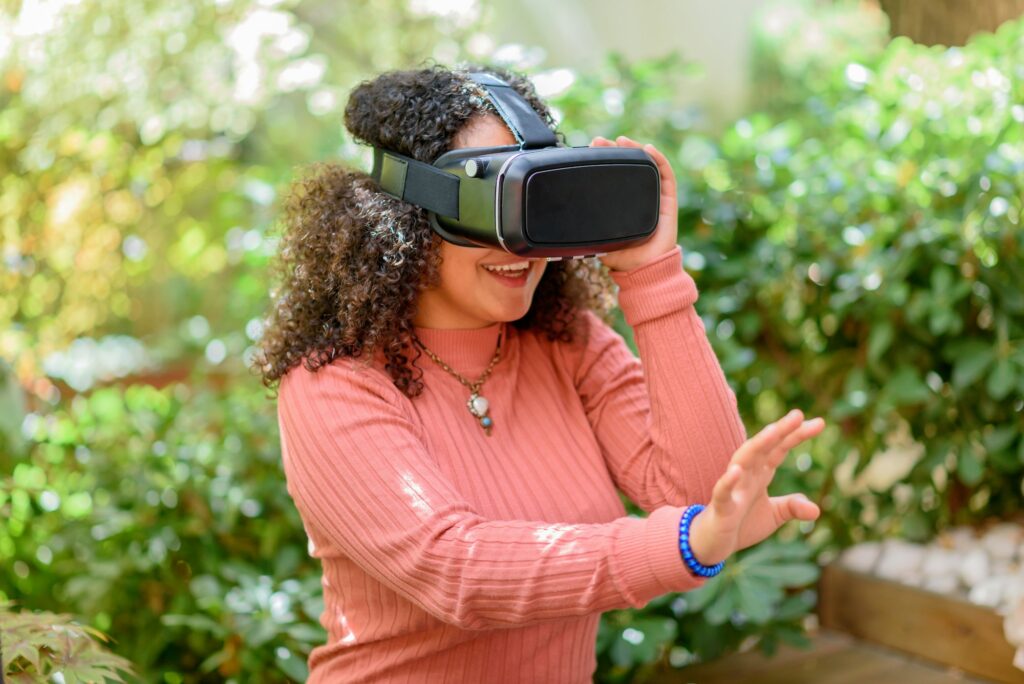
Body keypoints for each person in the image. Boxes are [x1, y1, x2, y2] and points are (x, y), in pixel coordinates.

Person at [255, 64, 824, 683]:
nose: (519, 248)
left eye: (534, 199)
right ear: (408, 215)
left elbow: (705, 500)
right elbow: (456, 571)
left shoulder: (566, 344)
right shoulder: (334, 383)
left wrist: (651, 273)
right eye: (489, 204)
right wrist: (682, 544)